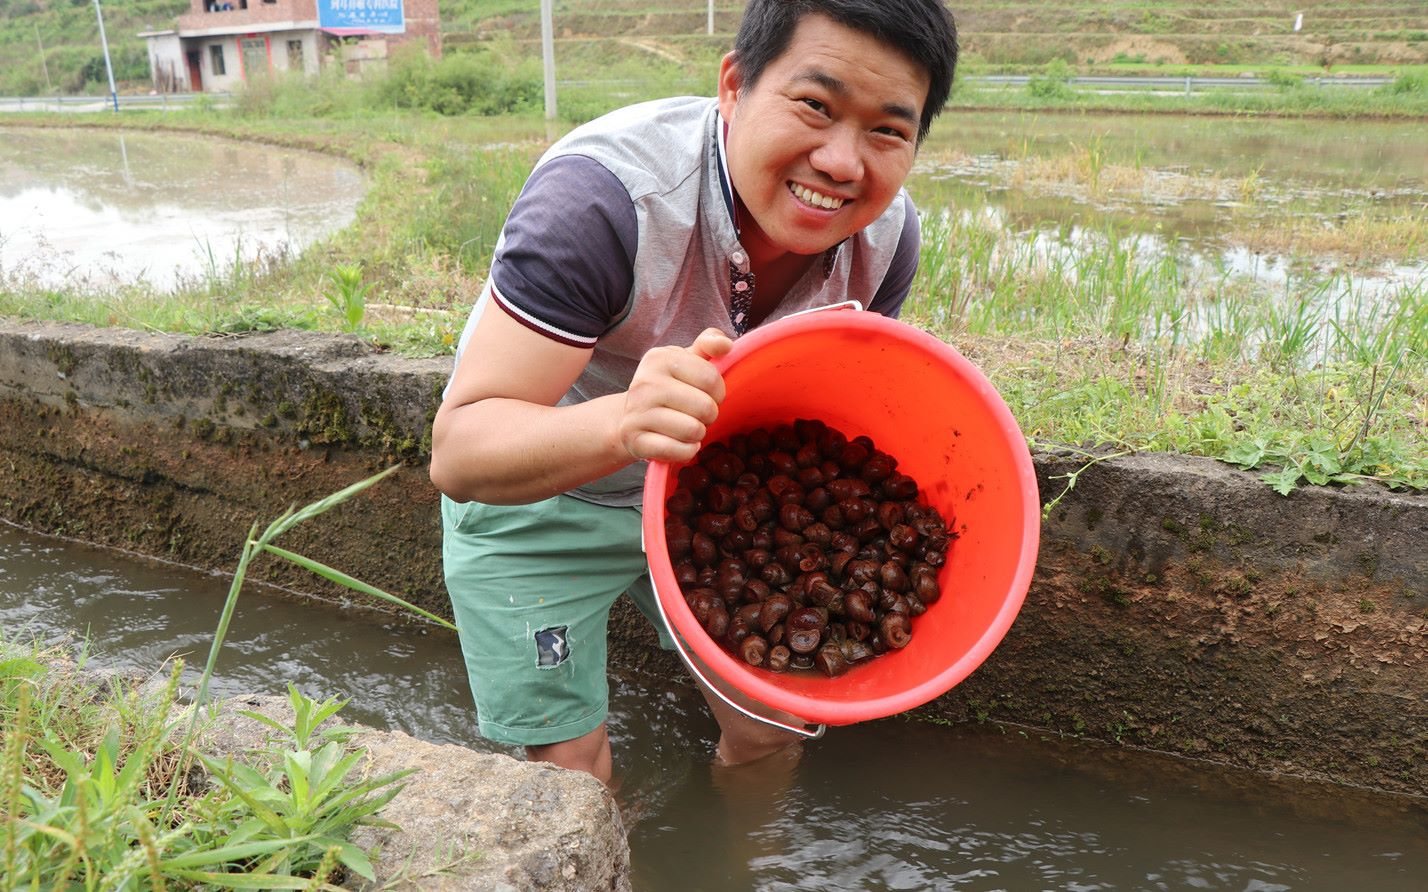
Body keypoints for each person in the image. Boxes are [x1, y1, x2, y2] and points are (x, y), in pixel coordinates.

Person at [430, 0, 959, 785]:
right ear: (735, 85)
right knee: (570, 770)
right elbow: (459, 449)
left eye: (888, 129)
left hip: (709, 501)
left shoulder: (886, 242)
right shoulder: (603, 204)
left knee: (775, 730)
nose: (844, 163)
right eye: (815, 105)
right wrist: (622, 426)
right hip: (541, 492)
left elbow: (837, 407)